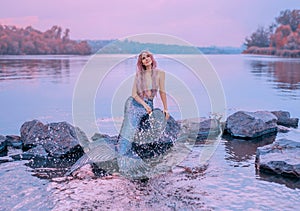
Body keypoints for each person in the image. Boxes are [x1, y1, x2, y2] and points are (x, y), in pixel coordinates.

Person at [118, 50, 170, 157]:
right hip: (135, 103)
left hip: (149, 104)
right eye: (143, 58)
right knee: (130, 125)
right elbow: (134, 94)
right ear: (141, 62)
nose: (146, 59)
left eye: (148, 57)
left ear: (151, 58)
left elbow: (162, 92)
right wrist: (144, 105)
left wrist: (166, 109)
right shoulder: (139, 75)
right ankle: (122, 153)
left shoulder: (160, 74)